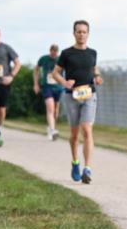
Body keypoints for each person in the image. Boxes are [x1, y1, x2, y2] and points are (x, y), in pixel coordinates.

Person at [51, 20, 101, 184]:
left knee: (86, 130)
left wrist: (98, 77)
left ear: (88, 34)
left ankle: (87, 169)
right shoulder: (66, 53)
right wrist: (64, 83)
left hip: (89, 94)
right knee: (74, 135)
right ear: (74, 33)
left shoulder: (93, 53)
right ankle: (75, 163)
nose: (81, 34)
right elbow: (56, 73)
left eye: (84, 32)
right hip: (71, 96)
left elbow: (94, 69)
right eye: (78, 31)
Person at [33, 44, 64, 140]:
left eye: (56, 52)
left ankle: (51, 127)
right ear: (50, 51)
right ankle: (53, 130)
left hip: (58, 88)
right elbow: (36, 69)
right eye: (52, 51)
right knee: (50, 108)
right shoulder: (44, 59)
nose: (54, 54)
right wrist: (36, 84)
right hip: (47, 87)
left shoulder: (61, 60)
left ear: (58, 52)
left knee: (55, 111)